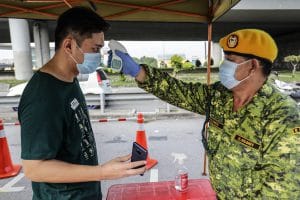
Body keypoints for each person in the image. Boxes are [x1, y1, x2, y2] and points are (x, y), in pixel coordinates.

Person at [109, 29, 300, 199]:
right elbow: (179, 91)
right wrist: (138, 71)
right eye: (225, 59)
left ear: (253, 66)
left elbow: (283, 189)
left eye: (231, 61)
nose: (224, 66)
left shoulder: (282, 115)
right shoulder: (219, 94)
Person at [18, 7, 146, 200]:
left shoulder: (70, 80)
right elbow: (34, 169)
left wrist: (103, 170)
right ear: (69, 46)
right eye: (95, 49)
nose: (99, 55)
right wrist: (102, 172)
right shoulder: (43, 96)